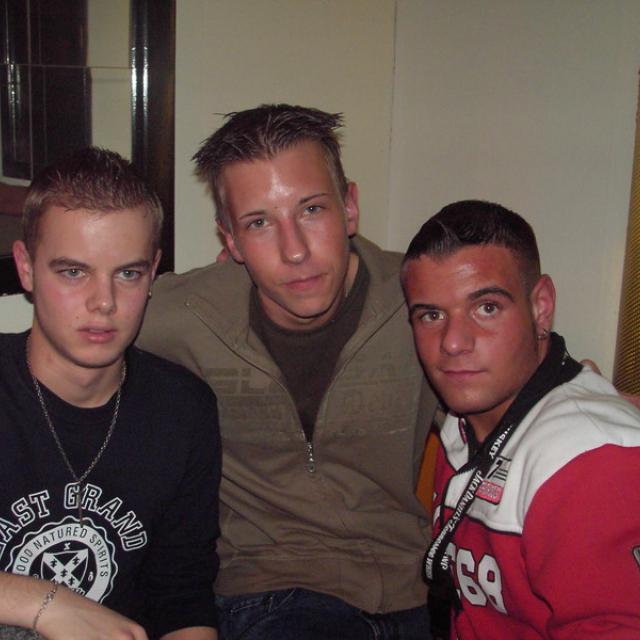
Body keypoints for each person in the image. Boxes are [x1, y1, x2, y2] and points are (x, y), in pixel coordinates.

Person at [137, 104, 438, 639]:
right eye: (259, 223)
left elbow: (518, 369)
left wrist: (573, 393)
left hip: (409, 590)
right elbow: (73, 332)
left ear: (350, 208)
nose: (294, 251)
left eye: (312, 210)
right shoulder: (184, 314)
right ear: (230, 240)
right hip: (270, 593)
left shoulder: (421, 299)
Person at [2, 148, 222, 640]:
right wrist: (46, 602)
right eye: (73, 271)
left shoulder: (183, 411)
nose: (104, 302)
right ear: (26, 268)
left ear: (153, 272)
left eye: (128, 273)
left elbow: (182, 595)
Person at [401, 200, 640, 639]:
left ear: (540, 307)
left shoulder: (590, 460)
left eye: (486, 308)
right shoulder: (462, 422)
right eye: (432, 315)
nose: (452, 343)